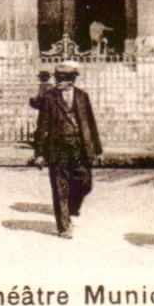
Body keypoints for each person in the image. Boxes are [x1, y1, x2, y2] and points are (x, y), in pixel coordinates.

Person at [32, 61, 102, 238]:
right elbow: (42, 125)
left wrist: (97, 149)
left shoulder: (82, 96)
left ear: (72, 80)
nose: (59, 82)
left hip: (80, 147)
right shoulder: (49, 97)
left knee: (85, 183)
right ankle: (63, 226)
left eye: (63, 79)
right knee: (59, 186)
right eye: (58, 78)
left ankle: (71, 209)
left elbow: (90, 123)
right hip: (58, 148)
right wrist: (39, 153)